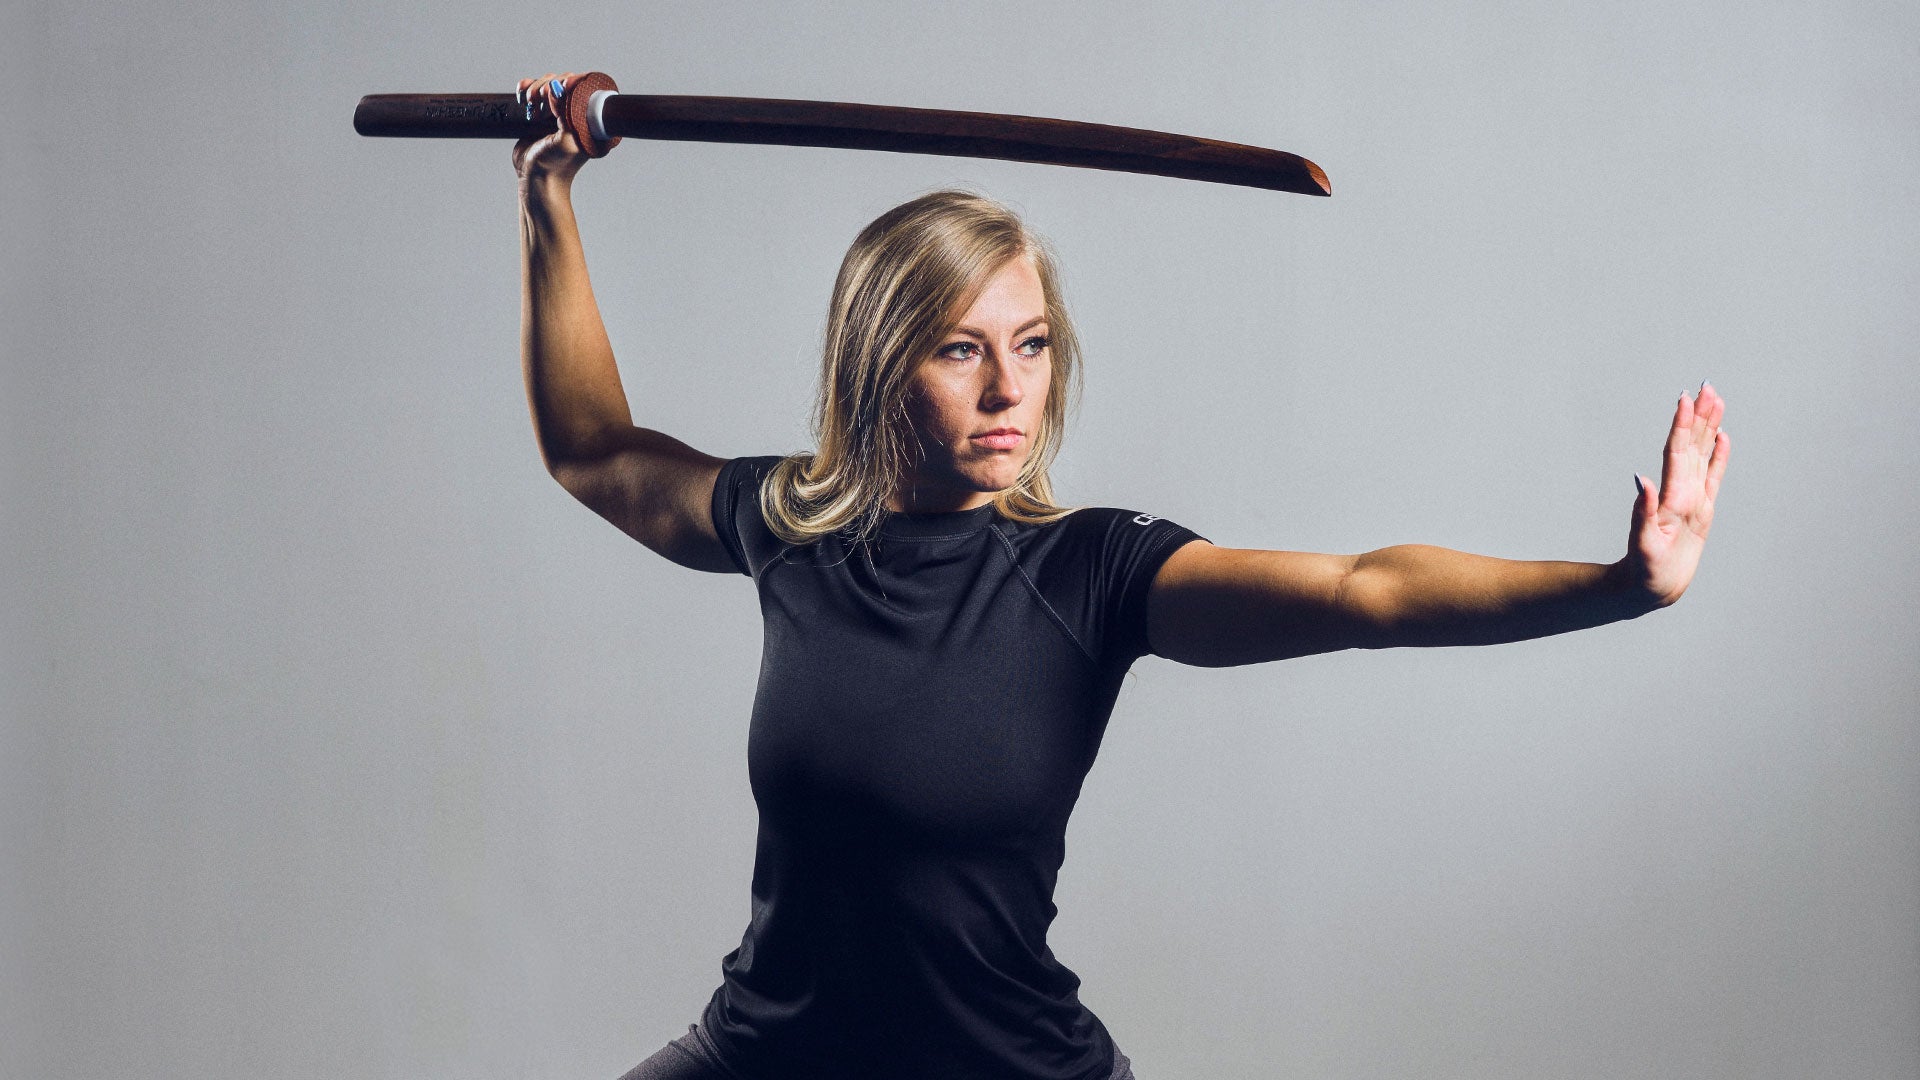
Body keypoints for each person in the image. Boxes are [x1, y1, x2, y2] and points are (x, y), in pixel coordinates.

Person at [513, 73, 1731, 1080]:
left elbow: (1368, 590)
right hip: (768, 1054)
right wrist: (549, 196)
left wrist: (1616, 584)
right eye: (960, 349)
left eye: (1031, 347)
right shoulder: (790, 527)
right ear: (878, 364)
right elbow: (595, 450)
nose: (1009, 390)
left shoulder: (1089, 569)